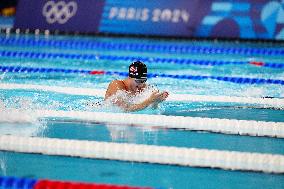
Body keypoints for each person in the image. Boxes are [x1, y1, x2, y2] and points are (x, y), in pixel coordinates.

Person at [104, 61, 169, 112]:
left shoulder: (144, 88)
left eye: (143, 80)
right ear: (129, 77)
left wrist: (156, 102)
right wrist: (150, 101)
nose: (141, 84)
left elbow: (151, 111)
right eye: (138, 81)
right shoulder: (117, 85)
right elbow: (124, 109)